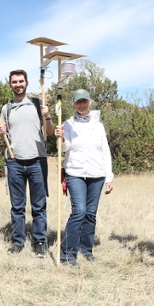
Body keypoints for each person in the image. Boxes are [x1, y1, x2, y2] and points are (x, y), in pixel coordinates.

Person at [0, 69, 54, 257]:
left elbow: (51, 132)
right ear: (10, 85)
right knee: (17, 206)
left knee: (39, 206)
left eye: (21, 81)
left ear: (26, 83)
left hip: (37, 160)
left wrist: (47, 116)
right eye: (14, 82)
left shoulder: (38, 104)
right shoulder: (6, 108)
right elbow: (6, 134)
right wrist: (1, 131)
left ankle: (39, 242)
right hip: (14, 161)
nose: (18, 84)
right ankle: (18, 242)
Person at [54, 89, 114, 269]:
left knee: (90, 214)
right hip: (76, 173)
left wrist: (108, 177)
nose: (81, 104)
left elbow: (105, 151)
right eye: (78, 101)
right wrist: (61, 137)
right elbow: (65, 148)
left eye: (84, 101)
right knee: (79, 211)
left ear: (90, 102)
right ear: (73, 104)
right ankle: (67, 254)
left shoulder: (98, 125)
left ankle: (86, 250)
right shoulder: (67, 124)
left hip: (97, 174)